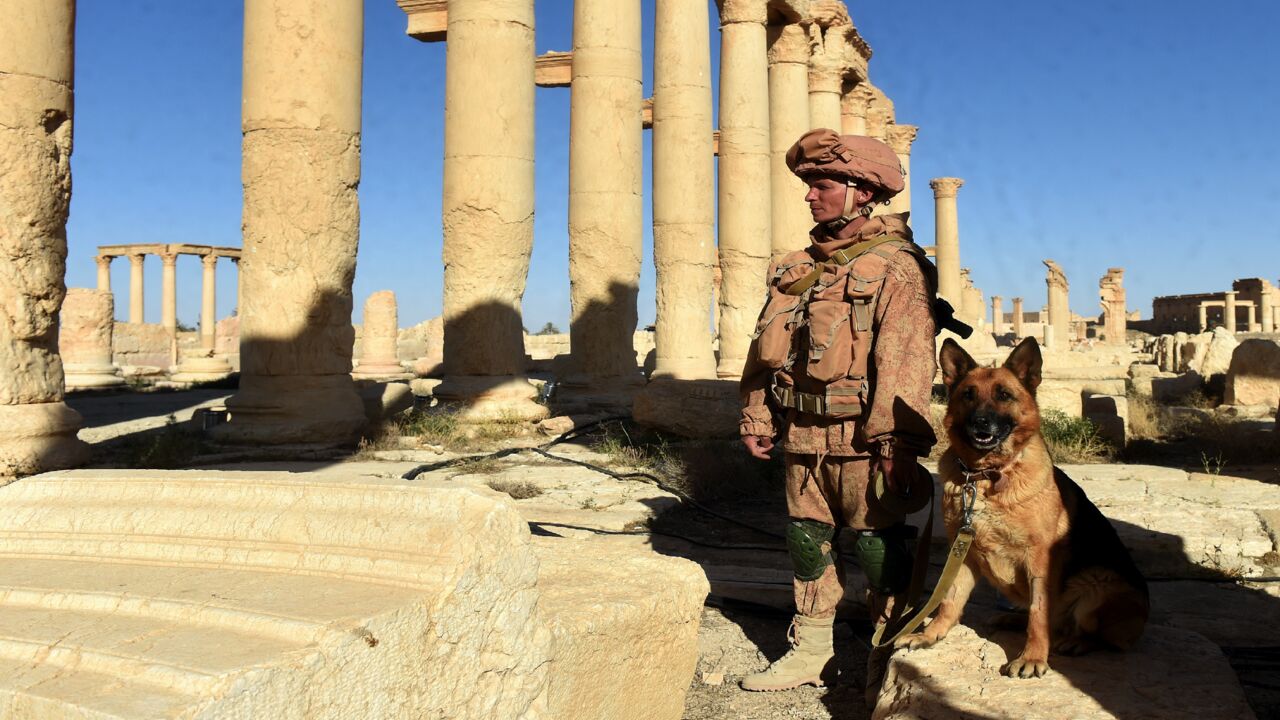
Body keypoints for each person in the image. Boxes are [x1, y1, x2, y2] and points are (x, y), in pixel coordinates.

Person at [738, 128, 939, 693]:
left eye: (821, 184)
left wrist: (895, 446)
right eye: (808, 185)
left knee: (879, 548)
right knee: (806, 540)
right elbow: (765, 350)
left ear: (862, 192)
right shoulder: (794, 268)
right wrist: (758, 416)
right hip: (801, 433)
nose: (809, 195)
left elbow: (905, 364)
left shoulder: (896, 267)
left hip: (862, 439)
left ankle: (888, 650)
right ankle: (813, 650)